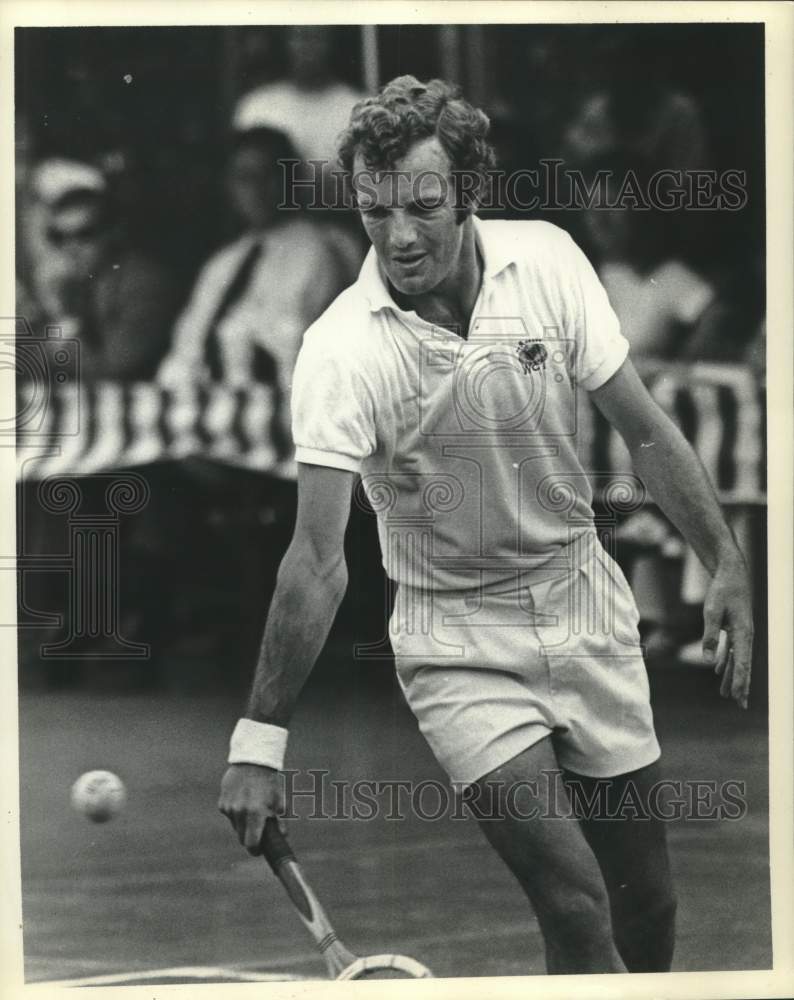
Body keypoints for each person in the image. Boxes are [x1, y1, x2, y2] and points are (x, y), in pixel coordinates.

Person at [218, 77, 753, 975]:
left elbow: (648, 429)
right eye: (374, 210)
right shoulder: (340, 351)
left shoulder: (548, 261)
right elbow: (316, 562)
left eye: (423, 206)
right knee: (576, 903)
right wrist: (258, 743)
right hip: (455, 637)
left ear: (468, 193)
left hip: (585, 604)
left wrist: (727, 563)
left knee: (645, 905)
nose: (397, 236)